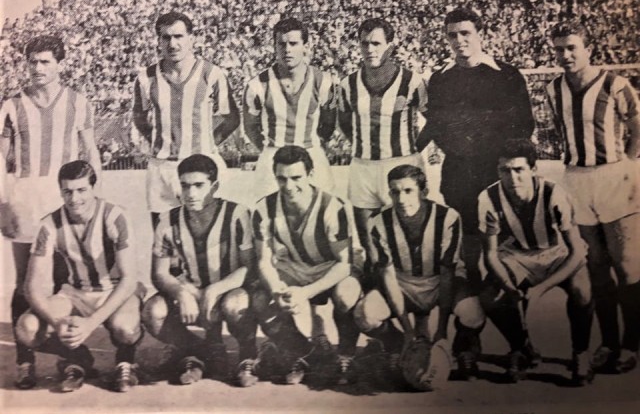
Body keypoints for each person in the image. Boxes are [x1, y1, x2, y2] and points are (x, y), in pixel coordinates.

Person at [0, 35, 101, 390]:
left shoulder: (77, 102)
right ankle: (25, 361)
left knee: (63, 281)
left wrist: (94, 201)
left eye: (45, 61)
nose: (38, 68)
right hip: (26, 198)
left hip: (64, 198)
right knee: (24, 283)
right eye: (33, 61)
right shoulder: (12, 105)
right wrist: (3, 202)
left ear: (60, 63)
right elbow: (1, 157)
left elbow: (90, 153)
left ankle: (70, 360)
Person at [416, 7, 535, 291]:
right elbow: (437, 125)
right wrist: (459, 149)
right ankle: (472, 296)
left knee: (506, 239)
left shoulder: (506, 75)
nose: (459, 40)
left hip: (498, 170)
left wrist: (502, 159)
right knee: (468, 239)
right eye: (452, 35)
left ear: (480, 34)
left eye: (465, 33)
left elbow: (524, 124)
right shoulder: (440, 79)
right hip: (460, 171)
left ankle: (512, 296)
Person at [546, 20, 640, 374]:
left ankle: (631, 344)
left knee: (627, 266)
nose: (565, 55)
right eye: (559, 49)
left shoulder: (616, 84)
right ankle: (609, 342)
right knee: (596, 269)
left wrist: (628, 163)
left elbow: (638, 127)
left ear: (588, 49)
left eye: (572, 48)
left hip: (615, 176)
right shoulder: (553, 89)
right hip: (577, 180)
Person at [14, 160, 145, 392]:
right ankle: (77, 355)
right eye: (68, 191)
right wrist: (57, 323)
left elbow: (128, 280)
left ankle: (126, 360)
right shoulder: (49, 224)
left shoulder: (115, 216)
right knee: (27, 328)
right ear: (60, 191)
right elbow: (31, 287)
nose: (74, 199)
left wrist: (90, 324)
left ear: (94, 188)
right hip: (75, 293)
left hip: (114, 290)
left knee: (126, 328)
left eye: (81, 190)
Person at [354, 164, 485, 381]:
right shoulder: (378, 222)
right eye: (395, 192)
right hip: (402, 283)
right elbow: (388, 277)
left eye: (408, 191)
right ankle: (396, 343)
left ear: (424, 192)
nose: (401, 199)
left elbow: (447, 273)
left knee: (473, 315)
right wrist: (408, 331)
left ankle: (461, 348)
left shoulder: (448, 217)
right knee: (364, 316)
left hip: (438, 281)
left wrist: (441, 330)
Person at [478, 139, 594, 385]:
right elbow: (490, 255)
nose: (512, 177)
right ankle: (521, 348)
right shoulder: (488, 198)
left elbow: (576, 252)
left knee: (582, 290)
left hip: (557, 252)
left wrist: (540, 289)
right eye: (505, 170)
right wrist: (510, 289)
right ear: (497, 171)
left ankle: (581, 353)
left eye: (518, 169)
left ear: (533, 169)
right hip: (517, 256)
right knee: (490, 296)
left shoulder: (554, 193)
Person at [142, 154, 260, 387]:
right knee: (152, 312)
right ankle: (198, 351)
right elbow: (159, 273)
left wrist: (215, 289)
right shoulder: (167, 219)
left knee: (235, 305)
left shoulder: (237, 213)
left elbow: (250, 267)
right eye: (185, 185)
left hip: (228, 291)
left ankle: (248, 354)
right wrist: (181, 293)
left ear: (214, 187)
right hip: (190, 290)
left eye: (198, 185)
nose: (191, 193)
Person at [251, 145, 362, 385]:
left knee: (347, 294)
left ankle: (345, 355)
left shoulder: (333, 207)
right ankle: (300, 351)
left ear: (311, 175)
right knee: (260, 299)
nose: (289, 186)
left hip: (330, 267)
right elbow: (264, 261)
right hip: (294, 267)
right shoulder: (263, 208)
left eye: (296, 178)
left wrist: (306, 293)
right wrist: (276, 291)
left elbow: (344, 264)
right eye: (282, 178)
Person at [133, 11, 240, 228]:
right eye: (166, 37)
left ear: (192, 38)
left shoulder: (212, 74)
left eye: (178, 36)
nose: (172, 44)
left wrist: (207, 144)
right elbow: (139, 117)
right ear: (158, 41)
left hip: (201, 165)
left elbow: (232, 118)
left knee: (207, 235)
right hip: (162, 169)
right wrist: (160, 141)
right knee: (163, 236)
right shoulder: (146, 78)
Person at [338, 18, 428, 262]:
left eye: (376, 43)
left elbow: (433, 121)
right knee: (369, 242)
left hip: (402, 164)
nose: (370, 49)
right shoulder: (347, 84)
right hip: (363, 167)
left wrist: (413, 150)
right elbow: (344, 121)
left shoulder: (412, 81)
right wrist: (363, 144)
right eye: (364, 43)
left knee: (409, 235)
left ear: (390, 45)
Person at [243, 18, 337, 199]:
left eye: (293, 43)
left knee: (322, 207)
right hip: (273, 154)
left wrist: (314, 145)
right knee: (268, 211)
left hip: (311, 153)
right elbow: (250, 127)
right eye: (282, 44)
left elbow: (329, 123)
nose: (287, 50)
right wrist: (268, 149)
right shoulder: (257, 85)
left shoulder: (324, 82)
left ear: (306, 46)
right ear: (275, 46)